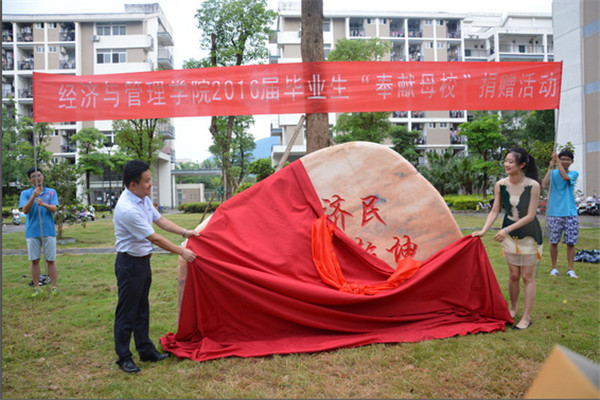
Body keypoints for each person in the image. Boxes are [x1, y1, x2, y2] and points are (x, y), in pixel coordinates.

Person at [112, 160, 198, 374]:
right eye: (147, 181)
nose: (151, 184)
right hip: (129, 264)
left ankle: (146, 350)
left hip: (142, 262)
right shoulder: (127, 209)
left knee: (142, 309)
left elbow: (160, 221)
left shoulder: (143, 199)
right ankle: (124, 358)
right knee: (127, 312)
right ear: (133, 185)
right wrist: (182, 251)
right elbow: (155, 238)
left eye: (150, 179)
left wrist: (185, 232)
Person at [472, 148, 542, 330]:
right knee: (513, 275)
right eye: (506, 161)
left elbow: (530, 215)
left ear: (522, 165)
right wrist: (483, 230)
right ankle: (513, 309)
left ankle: (526, 317)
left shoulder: (533, 185)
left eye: (511, 162)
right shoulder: (500, 184)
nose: (507, 164)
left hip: (529, 234)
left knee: (527, 276)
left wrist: (506, 229)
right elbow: (495, 210)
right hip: (509, 234)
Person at [19, 167, 59, 297]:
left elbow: (54, 209)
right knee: (34, 260)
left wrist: (43, 203)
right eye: (34, 176)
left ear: (43, 177)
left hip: (48, 230)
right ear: (29, 179)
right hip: (32, 231)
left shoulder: (51, 192)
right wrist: (33, 196)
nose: (38, 178)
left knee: (50, 259)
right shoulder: (25, 193)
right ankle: (37, 287)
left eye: (39, 175)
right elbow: (25, 210)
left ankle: (53, 287)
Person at [541, 150, 579, 278]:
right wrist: (550, 168)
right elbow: (544, 184)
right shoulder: (553, 172)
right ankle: (554, 268)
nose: (564, 161)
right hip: (554, 212)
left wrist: (557, 160)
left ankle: (570, 269)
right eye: (562, 159)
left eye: (567, 159)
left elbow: (565, 177)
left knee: (571, 242)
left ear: (572, 161)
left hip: (570, 212)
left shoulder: (574, 173)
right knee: (554, 241)